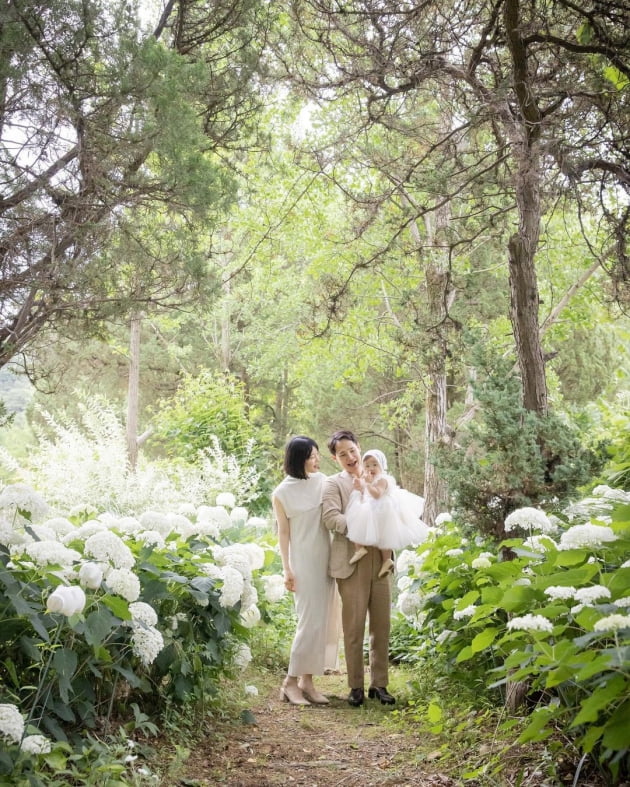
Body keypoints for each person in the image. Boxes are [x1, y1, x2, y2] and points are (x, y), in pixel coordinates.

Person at [322, 429, 396, 707]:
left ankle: (380, 684)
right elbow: (330, 518)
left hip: (380, 558)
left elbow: (391, 508)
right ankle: (355, 686)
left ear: (359, 448)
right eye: (343, 454)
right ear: (335, 458)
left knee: (382, 624)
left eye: (353, 451)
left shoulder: (376, 476)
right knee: (353, 627)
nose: (350, 457)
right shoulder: (333, 484)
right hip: (352, 560)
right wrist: (360, 526)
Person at [273, 435, 339, 706]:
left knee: (322, 622)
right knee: (308, 623)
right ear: (299, 459)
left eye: (317, 455)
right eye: (312, 456)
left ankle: (307, 682)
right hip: (302, 562)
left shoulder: (322, 481)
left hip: (326, 559)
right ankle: (290, 682)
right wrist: (286, 568)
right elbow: (283, 533)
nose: (317, 460)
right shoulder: (281, 493)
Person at [347, 449, 428, 578]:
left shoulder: (382, 479)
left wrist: (367, 484)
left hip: (382, 510)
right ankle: (360, 548)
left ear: (382, 466)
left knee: (386, 537)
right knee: (358, 521)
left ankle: (386, 560)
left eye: (375, 464)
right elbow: (365, 493)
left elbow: (377, 494)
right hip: (372, 510)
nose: (371, 468)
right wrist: (360, 485)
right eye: (367, 465)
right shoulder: (369, 478)